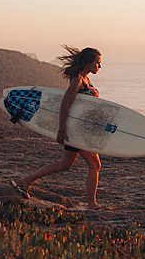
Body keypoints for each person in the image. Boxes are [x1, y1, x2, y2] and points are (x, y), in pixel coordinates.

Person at [11, 46, 106, 210]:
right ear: (89, 63)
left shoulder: (86, 80)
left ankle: (26, 181)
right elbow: (65, 104)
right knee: (95, 165)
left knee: (64, 165)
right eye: (97, 63)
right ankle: (92, 204)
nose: (99, 66)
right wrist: (61, 130)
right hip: (76, 131)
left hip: (81, 130)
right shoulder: (77, 80)